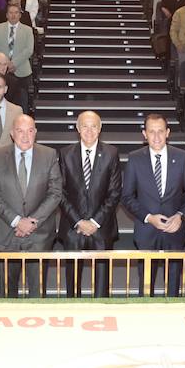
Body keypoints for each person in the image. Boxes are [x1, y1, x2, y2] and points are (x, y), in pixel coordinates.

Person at [0, 114, 62, 298]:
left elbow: (55, 193)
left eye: (30, 131)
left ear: (35, 132)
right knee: (7, 293)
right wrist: (17, 221)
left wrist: (32, 222)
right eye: (20, 131)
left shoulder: (49, 155)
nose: (25, 136)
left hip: (39, 235)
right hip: (6, 234)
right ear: (12, 133)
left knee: (38, 293)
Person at [122, 114, 185, 295]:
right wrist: (148, 218)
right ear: (144, 134)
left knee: (173, 289)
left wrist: (181, 216)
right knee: (146, 289)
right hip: (146, 232)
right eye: (151, 132)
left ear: (168, 133)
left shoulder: (182, 157)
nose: (156, 137)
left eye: (160, 131)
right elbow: (127, 197)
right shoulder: (134, 159)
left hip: (175, 231)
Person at [58, 111, 122, 297]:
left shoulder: (111, 153)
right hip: (73, 228)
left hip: (101, 229)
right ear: (77, 128)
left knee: (102, 287)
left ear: (100, 129)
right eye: (84, 126)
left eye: (93, 126)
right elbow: (60, 192)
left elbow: (115, 192)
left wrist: (94, 222)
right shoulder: (65, 154)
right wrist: (78, 221)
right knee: (72, 285)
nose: (89, 131)